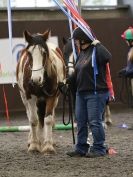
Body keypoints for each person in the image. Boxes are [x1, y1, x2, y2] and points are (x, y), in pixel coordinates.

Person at [66, 27, 112, 158]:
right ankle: (81, 148)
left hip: (96, 93)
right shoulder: (81, 53)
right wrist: (68, 82)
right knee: (80, 121)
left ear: (82, 40)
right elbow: (78, 72)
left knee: (94, 122)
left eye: (76, 40)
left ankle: (99, 148)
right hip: (81, 93)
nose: (74, 43)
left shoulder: (96, 51)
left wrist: (98, 44)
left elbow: (107, 57)